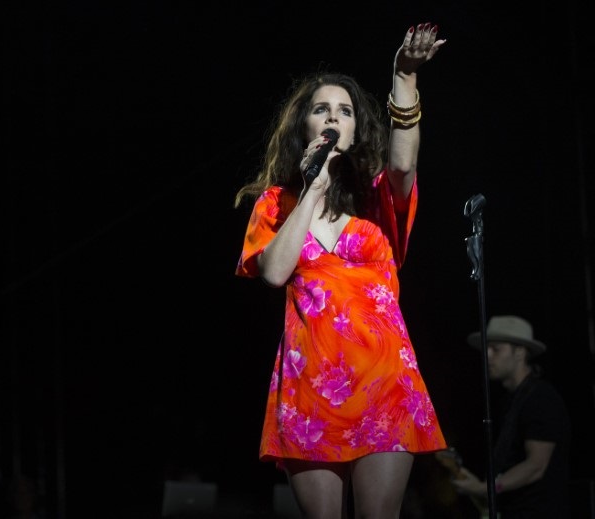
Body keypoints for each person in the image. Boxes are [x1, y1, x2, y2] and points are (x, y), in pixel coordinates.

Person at [233, 23, 448, 518]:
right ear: (303, 126)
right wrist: (310, 188)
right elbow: (273, 272)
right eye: (322, 109)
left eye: (345, 111)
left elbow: (404, 162)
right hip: (312, 390)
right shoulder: (276, 204)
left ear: (356, 130)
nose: (334, 117)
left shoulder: (377, 199)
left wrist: (404, 76)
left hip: (385, 384)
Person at [451, 315, 571, 518]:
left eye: (496, 349)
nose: (487, 355)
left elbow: (536, 466)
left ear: (520, 352)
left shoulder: (541, 397)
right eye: (486, 349)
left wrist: (486, 488)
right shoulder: (509, 400)